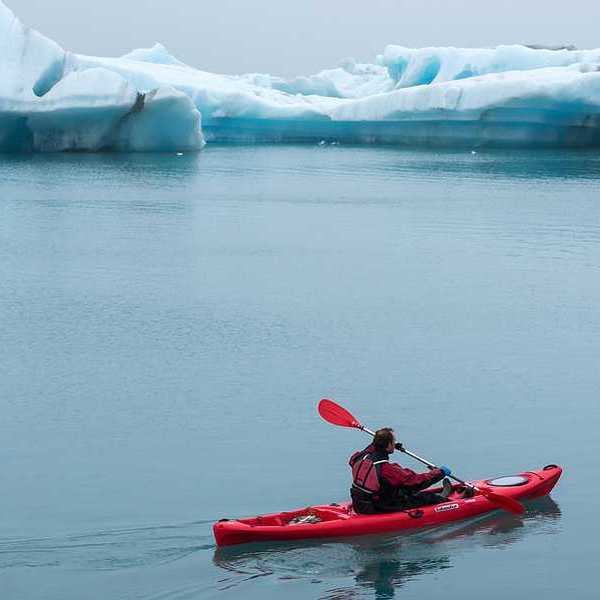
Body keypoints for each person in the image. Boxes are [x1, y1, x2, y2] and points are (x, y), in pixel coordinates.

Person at [349, 427, 452, 514]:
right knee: (424, 496)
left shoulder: (359, 457)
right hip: (380, 506)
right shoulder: (387, 469)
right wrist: (439, 473)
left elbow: (371, 448)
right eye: (393, 442)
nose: (395, 443)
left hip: (359, 503)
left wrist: (386, 443)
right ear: (388, 445)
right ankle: (447, 499)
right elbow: (416, 482)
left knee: (401, 489)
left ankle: (440, 494)